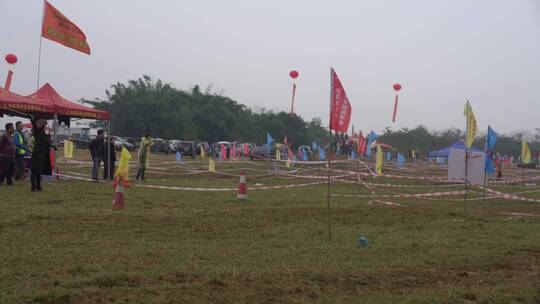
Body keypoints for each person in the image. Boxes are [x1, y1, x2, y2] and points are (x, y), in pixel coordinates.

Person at [30, 119, 52, 191]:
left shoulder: (43, 132)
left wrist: (51, 145)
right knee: (34, 171)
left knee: (39, 172)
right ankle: (33, 187)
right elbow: (34, 124)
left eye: (45, 124)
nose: (45, 125)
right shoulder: (36, 131)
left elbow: (46, 142)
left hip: (42, 155)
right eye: (43, 124)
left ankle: (38, 186)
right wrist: (33, 119)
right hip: (36, 154)